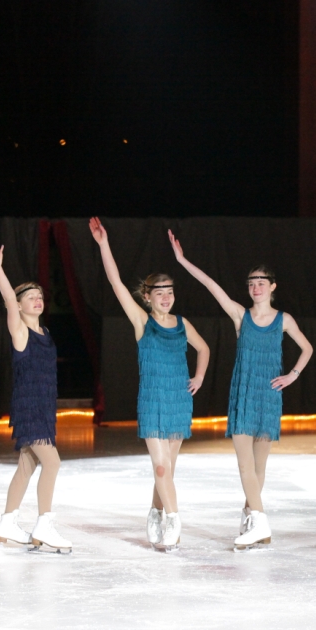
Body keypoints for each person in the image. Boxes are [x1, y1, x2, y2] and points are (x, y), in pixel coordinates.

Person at [169, 231, 313, 550]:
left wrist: (292, 376)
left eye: (261, 282)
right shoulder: (240, 315)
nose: (255, 287)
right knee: (245, 465)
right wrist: (182, 261)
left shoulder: (284, 320)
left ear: (272, 287)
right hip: (244, 396)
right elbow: (211, 286)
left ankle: (252, 518)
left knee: (259, 468)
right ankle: (259, 523)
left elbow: (307, 348)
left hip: (269, 397)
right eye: (251, 282)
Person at [89, 217, 210, 551]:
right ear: (147, 296)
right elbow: (115, 283)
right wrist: (104, 244)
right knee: (160, 466)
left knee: (167, 468)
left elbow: (203, 349)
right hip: (152, 400)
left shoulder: (182, 323)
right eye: (160, 292)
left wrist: (199, 377)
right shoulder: (142, 322)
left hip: (179, 400)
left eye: (170, 292)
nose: (166, 297)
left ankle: (156, 510)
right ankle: (174, 520)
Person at [0, 238, 71, 553]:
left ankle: (7, 522)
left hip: (44, 409)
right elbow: (9, 300)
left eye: (40, 296)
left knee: (27, 465)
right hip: (29, 409)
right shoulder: (20, 332)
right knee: (53, 463)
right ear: (19, 306)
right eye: (30, 297)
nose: (37, 300)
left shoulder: (45, 333)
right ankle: (44, 525)